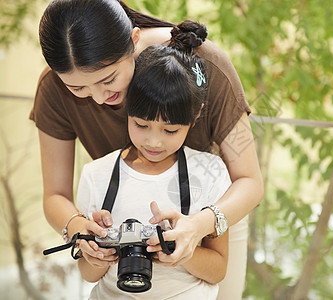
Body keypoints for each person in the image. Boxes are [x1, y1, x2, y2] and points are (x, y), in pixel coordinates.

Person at [32, 0, 263, 298]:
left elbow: (250, 181)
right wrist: (78, 227)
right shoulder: (52, 88)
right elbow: (55, 195)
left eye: (109, 79)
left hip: (212, 224)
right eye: (78, 89)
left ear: (134, 40)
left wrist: (198, 226)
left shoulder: (200, 66)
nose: (99, 98)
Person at [76, 28, 229, 298]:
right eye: (141, 124)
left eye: (170, 131)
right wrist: (97, 254)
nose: (154, 142)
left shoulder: (210, 173)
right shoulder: (95, 175)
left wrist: (181, 249)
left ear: (196, 116)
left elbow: (218, 270)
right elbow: (88, 276)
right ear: (127, 108)